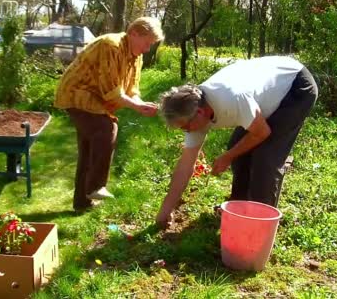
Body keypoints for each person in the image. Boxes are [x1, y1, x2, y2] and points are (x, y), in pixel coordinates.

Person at [156, 56, 318, 227]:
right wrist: (165, 210)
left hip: (295, 86)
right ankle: (239, 209)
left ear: (200, 113)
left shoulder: (231, 99)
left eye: (185, 127)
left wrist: (228, 157)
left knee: (265, 159)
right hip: (265, 91)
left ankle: (260, 224)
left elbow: (262, 132)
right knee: (238, 147)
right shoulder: (195, 111)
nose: (186, 131)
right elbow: (185, 166)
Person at [54, 17, 164, 213]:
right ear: (133, 34)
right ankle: (95, 186)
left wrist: (141, 104)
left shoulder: (135, 55)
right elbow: (112, 92)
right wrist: (137, 108)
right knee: (106, 129)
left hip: (95, 99)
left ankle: (82, 202)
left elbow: (131, 90)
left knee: (89, 147)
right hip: (77, 93)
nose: (147, 49)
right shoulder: (110, 46)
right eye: (147, 43)